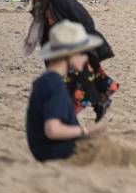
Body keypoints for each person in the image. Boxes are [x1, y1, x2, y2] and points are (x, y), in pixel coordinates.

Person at [21, 0, 118, 120]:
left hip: (74, 47)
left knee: (77, 85)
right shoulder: (42, 0)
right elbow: (39, 22)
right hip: (59, 49)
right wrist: (30, 41)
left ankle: (71, 118)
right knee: (76, 83)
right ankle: (99, 103)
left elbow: (84, 18)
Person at [26, 21, 110, 161]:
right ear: (69, 53)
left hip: (48, 151)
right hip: (58, 153)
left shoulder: (45, 80)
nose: (85, 57)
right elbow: (52, 130)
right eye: (83, 52)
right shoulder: (55, 84)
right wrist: (87, 131)